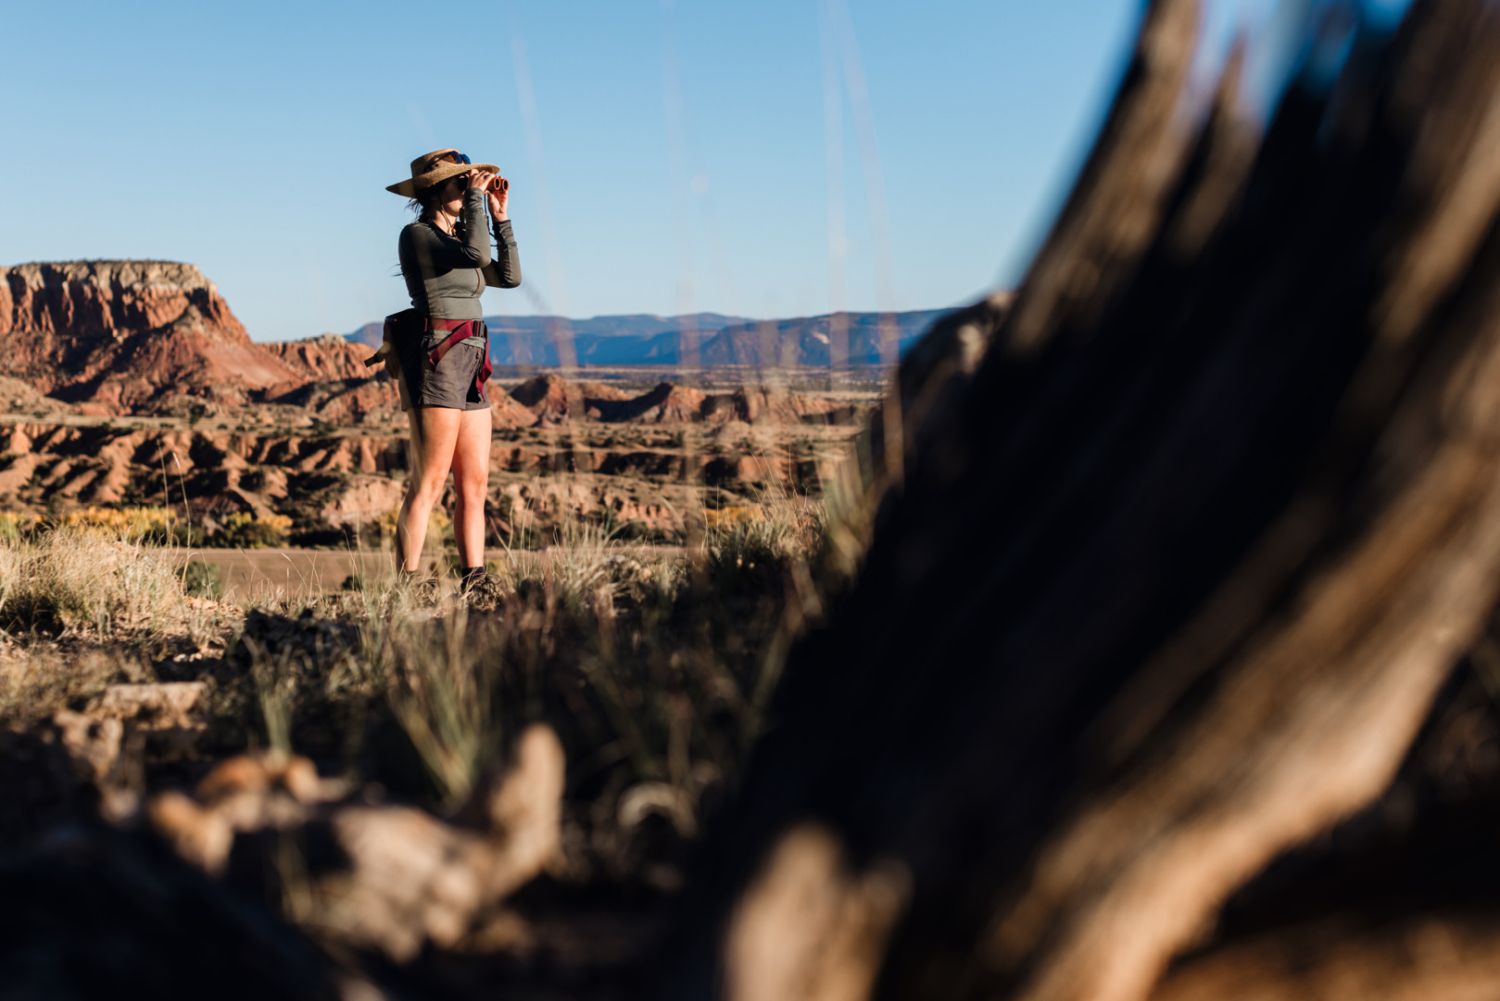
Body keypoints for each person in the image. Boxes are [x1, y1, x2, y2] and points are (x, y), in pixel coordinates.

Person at [382, 148, 521, 594]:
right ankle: (407, 584)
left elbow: (510, 276)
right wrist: (478, 201)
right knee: (430, 480)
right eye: (460, 182)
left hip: (472, 358)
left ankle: (473, 580)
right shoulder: (418, 235)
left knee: (474, 482)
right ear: (434, 189)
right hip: (438, 356)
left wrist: (500, 217)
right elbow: (477, 252)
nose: (468, 187)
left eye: (469, 180)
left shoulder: (460, 239)